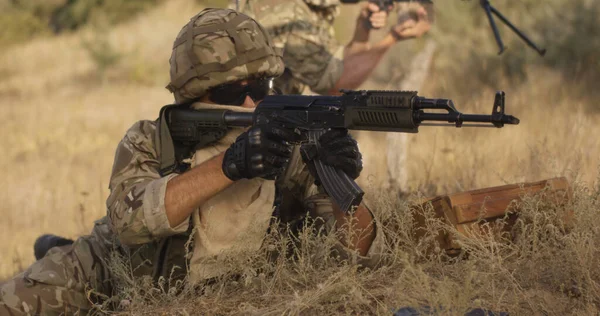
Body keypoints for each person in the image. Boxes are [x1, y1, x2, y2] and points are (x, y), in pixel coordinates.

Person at [0, 8, 384, 315]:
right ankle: (54, 248)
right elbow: (130, 224)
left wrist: (341, 183)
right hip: (107, 270)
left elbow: (358, 254)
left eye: (262, 87)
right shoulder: (152, 138)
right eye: (234, 89)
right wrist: (229, 166)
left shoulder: (294, 149)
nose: (251, 102)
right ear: (193, 94)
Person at [239, 0, 433, 95]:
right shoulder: (289, 9)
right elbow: (336, 82)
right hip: (243, 132)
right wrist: (394, 37)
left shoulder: (312, 8)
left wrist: (363, 28)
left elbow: (338, 63)